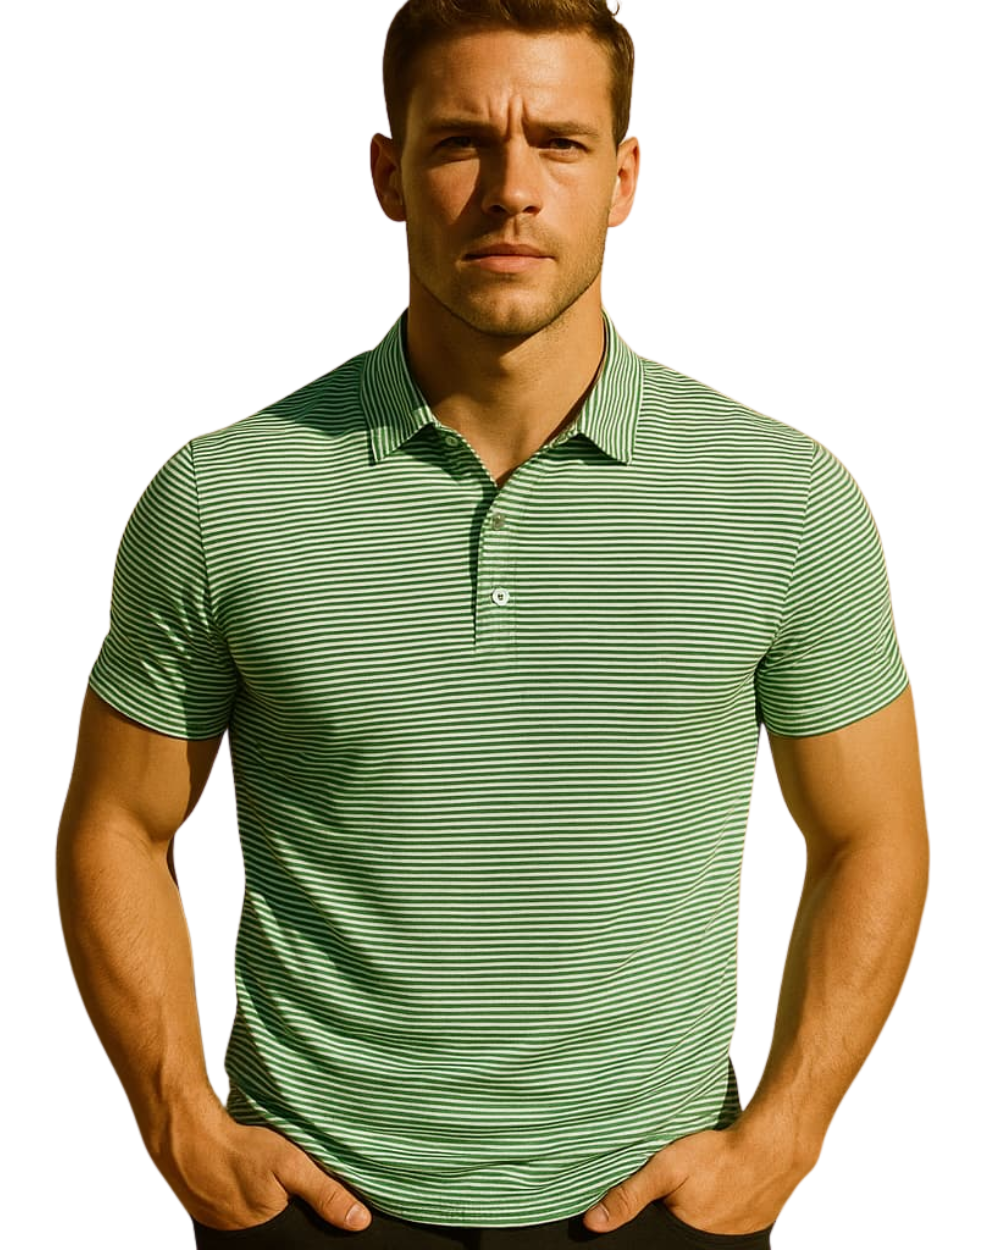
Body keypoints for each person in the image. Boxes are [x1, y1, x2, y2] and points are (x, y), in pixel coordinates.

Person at [56, 1, 930, 1247]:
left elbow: (871, 833)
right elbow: (118, 821)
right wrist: (177, 1118)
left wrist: (784, 1134)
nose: (512, 189)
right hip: (309, 1200)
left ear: (622, 179)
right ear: (387, 174)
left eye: (560, 143)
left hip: (652, 1201)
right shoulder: (221, 498)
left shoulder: (784, 502)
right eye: (462, 141)